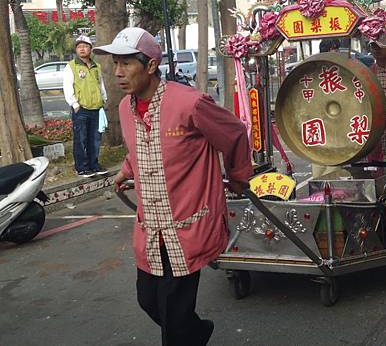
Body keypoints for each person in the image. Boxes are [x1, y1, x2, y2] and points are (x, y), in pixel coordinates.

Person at [95, 27, 253, 346]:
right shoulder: (126, 108)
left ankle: (187, 334)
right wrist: (126, 171)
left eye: (126, 63)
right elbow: (137, 146)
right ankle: (197, 332)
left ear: (151, 66)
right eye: (115, 64)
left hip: (188, 224)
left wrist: (238, 177)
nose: (118, 73)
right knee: (149, 300)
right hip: (151, 226)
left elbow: (234, 133)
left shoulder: (190, 104)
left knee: (173, 314)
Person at [63, 34, 108, 177]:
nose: (82, 49)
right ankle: (82, 167)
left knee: (95, 139)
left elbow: (100, 85)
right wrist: (74, 104)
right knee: (81, 139)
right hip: (81, 108)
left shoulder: (96, 67)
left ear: (91, 49)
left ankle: (94, 165)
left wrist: (104, 100)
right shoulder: (71, 66)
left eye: (85, 46)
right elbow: (67, 87)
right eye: (79, 46)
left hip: (96, 108)